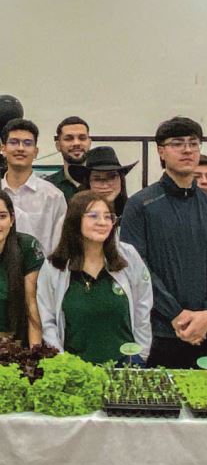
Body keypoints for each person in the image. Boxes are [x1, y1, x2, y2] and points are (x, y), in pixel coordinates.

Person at [120, 117, 207, 368]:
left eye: (193, 143)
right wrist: (175, 314)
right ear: (161, 151)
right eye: (177, 143)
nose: (187, 149)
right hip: (161, 330)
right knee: (160, 404)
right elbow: (137, 268)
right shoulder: (140, 205)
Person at [36, 192, 153, 363]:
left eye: (108, 217)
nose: (103, 222)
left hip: (125, 367)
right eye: (93, 216)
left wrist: (140, 354)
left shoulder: (128, 257)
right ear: (75, 220)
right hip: (76, 371)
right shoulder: (55, 266)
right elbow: (48, 322)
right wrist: (63, 363)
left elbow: (143, 307)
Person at [0, 119, 67, 256]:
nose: (20, 148)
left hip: (42, 274)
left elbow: (59, 248)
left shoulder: (53, 197)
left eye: (27, 143)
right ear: (3, 149)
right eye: (14, 142)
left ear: (36, 152)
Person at [0, 190, 44, 346]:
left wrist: (35, 352)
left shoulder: (26, 247)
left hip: (15, 344)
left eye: (2, 216)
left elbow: (32, 305)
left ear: (12, 219)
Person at [69, 146, 137, 219]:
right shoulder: (76, 216)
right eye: (97, 179)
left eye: (112, 177)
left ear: (121, 179)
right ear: (88, 183)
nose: (105, 185)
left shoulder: (135, 212)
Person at [45, 116, 92, 202]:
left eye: (82, 138)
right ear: (58, 146)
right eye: (68, 139)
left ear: (89, 143)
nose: (76, 143)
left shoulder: (100, 184)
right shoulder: (47, 186)